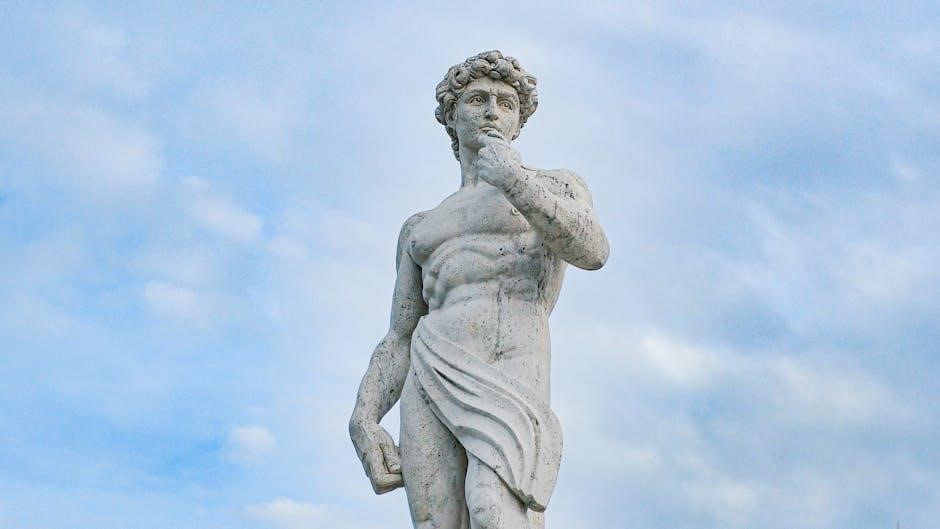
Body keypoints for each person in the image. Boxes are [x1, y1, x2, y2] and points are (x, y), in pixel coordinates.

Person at [349, 50, 609, 529]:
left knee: (495, 510)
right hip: (430, 364)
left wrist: (513, 180)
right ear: (451, 116)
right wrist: (364, 417)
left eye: (506, 104)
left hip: (508, 359)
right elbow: (399, 336)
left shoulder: (554, 186)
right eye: (477, 99)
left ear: (519, 121)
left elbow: (592, 250)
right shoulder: (420, 228)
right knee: (435, 522)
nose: (493, 111)